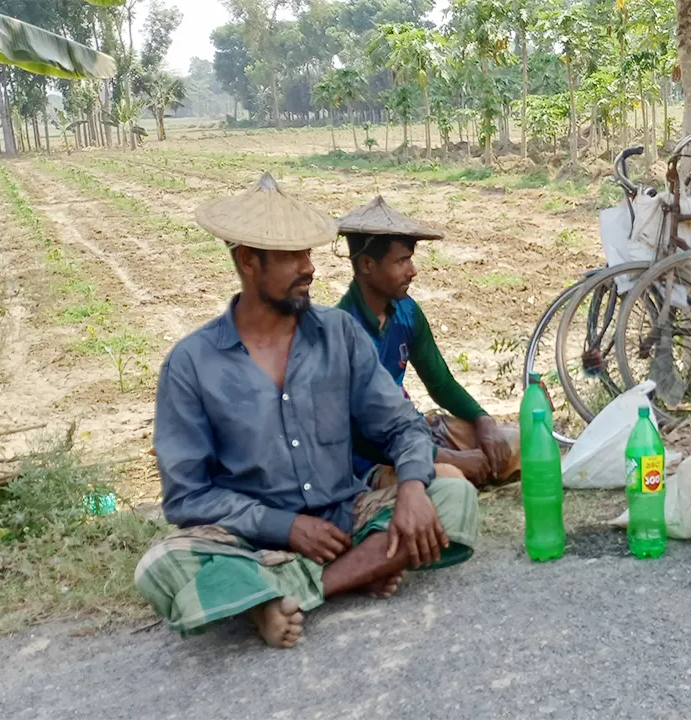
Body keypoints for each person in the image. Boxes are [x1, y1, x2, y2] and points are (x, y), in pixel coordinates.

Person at [135, 174, 479, 648]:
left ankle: (292, 592)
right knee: (160, 565)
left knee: (451, 496)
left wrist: (415, 486)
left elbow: (400, 424)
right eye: (293, 256)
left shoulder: (339, 334)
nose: (309, 268)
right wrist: (287, 527)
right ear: (248, 261)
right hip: (248, 540)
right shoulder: (193, 364)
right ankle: (349, 573)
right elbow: (187, 498)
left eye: (310, 254)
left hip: (344, 519)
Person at [335, 196, 519, 489]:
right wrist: (449, 458)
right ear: (368, 264)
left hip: (415, 435)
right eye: (401, 260)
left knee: (520, 442)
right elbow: (364, 435)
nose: (413, 270)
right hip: (375, 461)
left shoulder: (407, 313)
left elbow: (440, 383)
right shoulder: (341, 332)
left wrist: (482, 419)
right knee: (451, 480)